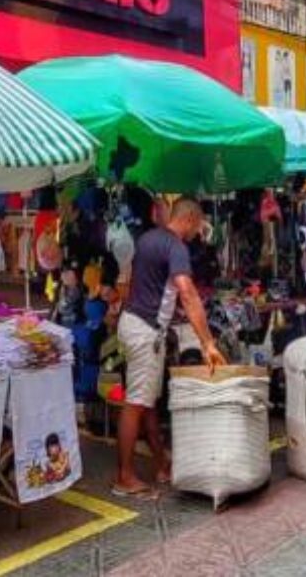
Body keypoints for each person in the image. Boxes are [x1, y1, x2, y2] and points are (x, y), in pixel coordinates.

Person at [113, 198, 227, 498]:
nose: (197, 232)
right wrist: (208, 343)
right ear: (188, 219)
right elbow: (187, 293)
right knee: (136, 403)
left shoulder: (149, 238)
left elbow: (145, 284)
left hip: (134, 322)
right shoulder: (176, 247)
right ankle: (124, 477)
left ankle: (162, 464)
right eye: (198, 224)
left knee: (147, 401)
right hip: (145, 331)